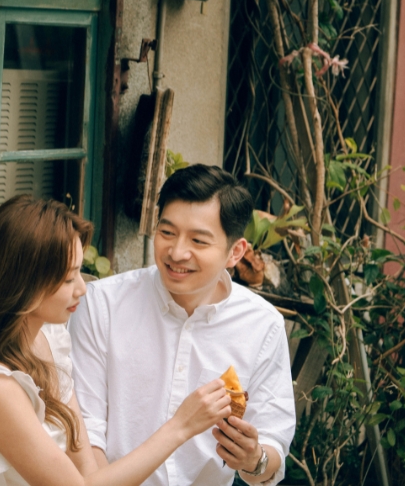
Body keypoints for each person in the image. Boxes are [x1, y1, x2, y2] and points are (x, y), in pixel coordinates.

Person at [0, 195, 234, 486]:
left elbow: (88, 472)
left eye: (79, 272)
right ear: (22, 284)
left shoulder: (47, 339)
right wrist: (179, 428)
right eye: (68, 278)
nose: (81, 289)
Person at [70, 165, 296, 486]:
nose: (177, 252)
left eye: (199, 241)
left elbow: (272, 443)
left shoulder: (262, 325)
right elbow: (84, 430)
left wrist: (253, 459)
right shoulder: (100, 304)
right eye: (167, 233)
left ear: (235, 252)